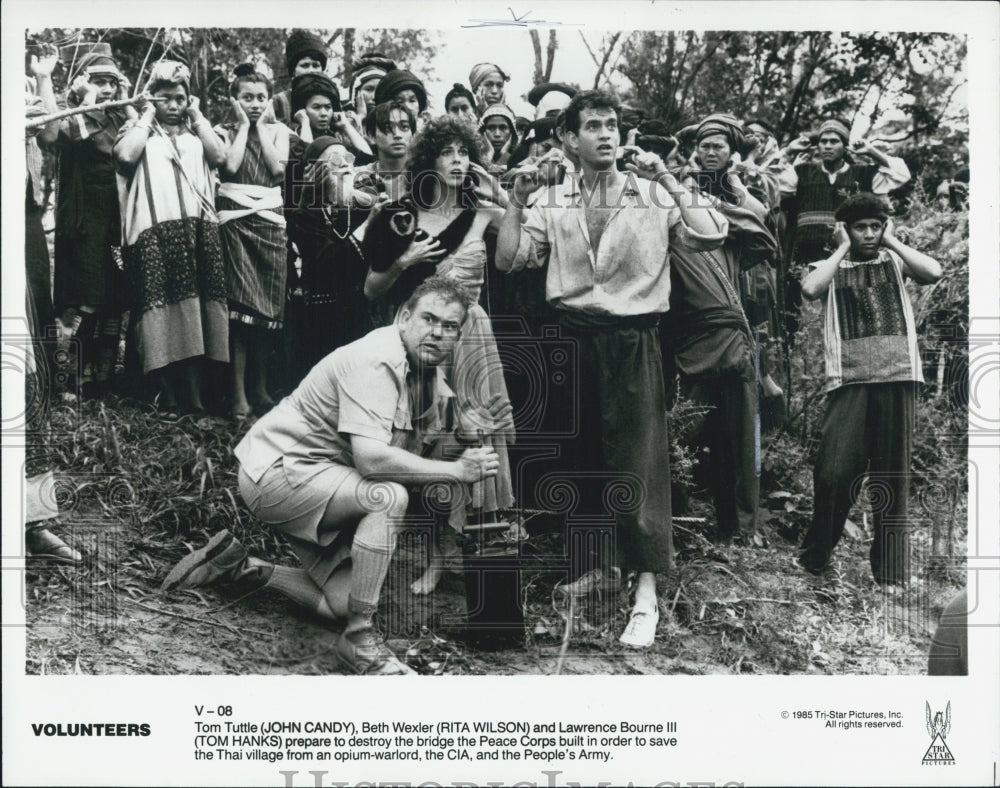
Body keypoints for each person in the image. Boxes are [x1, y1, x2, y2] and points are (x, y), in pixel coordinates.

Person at [161, 277, 501, 675]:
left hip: (324, 479)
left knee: (343, 602)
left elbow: (413, 456)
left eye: (449, 327)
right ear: (405, 316)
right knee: (388, 497)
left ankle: (239, 566)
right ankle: (360, 640)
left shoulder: (426, 374)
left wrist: (462, 435)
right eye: (429, 318)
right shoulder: (378, 359)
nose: (437, 333)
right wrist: (458, 470)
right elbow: (374, 462)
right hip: (277, 473)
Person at [496, 90, 728, 647]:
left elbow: (712, 233)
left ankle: (645, 591)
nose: (606, 134)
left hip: (632, 339)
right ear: (567, 139)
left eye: (612, 125)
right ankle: (597, 566)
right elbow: (508, 259)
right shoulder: (550, 198)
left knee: (638, 459)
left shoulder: (652, 191)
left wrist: (672, 179)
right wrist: (515, 200)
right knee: (581, 455)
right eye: (593, 126)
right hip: (573, 336)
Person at [362, 115, 526, 591]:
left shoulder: (482, 212)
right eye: (448, 152)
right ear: (428, 160)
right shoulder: (401, 215)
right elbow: (371, 291)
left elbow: (518, 254)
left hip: (471, 341)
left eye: (464, 152)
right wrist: (403, 261)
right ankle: (433, 555)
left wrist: (501, 191)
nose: (458, 161)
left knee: (474, 441)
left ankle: (475, 557)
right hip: (418, 343)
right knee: (425, 442)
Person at [798, 193, 941, 583]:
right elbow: (811, 289)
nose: (869, 234)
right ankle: (814, 559)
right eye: (860, 227)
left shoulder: (895, 259)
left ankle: (892, 574)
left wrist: (892, 240)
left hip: (899, 377)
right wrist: (842, 247)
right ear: (845, 229)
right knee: (833, 471)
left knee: (892, 477)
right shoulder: (827, 265)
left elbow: (934, 272)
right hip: (850, 380)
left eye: (875, 226)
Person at [667, 114, 778, 544]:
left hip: (732, 323)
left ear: (732, 152)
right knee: (682, 424)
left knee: (738, 433)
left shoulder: (738, 193)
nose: (710, 152)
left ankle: (740, 526)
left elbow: (762, 229)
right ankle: (676, 517)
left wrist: (723, 201)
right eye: (705, 145)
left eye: (719, 146)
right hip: (689, 326)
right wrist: (687, 196)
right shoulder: (676, 185)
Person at [113, 60, 229, 415]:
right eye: (165, 98)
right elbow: (124, 156)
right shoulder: (139, 132)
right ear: (151, 99)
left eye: (181, 97)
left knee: (195, 311)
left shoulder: (198, 136)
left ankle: (194, 397)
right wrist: (146, 115)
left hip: (196, 230)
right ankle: (167, 395)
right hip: (154, 231)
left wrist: (198, 115)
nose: (174, 105)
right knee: (160, 309)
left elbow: (220, 155)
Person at [36, 45, 131, 396]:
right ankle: (66, 380)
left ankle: (102, 379)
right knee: (81, 299)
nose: (106, 89)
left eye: (111, 82)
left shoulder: (122, 116)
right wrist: (48, 79)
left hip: (116, 220)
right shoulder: (73, 111)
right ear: (82, 81)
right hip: (82, 222)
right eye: (98, 81)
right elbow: (49, 136)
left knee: (112, 300)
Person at [780, 118, 911, 341]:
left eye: (834, 141)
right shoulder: (801, 172)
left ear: (845, 146)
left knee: (847, 314)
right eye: (823, 141)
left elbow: (901, 175)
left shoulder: (865, 174)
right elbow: (774, 181)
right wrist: (788, 152)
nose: (827, 146)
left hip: (851, 258)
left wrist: (872, 152)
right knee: (806, 319)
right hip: (806, 258)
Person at [215, 64, 291, 420]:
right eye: (247, 98)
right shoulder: (224, 131)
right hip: (236, 224)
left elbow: (278, 171)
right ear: (235, 100)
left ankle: (260, 388)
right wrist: (245, 126)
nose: (256, 103)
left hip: (270, 226)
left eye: (261, 97)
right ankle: (237, 393)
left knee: (267, 312)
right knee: (239, 312)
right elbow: (228, 169)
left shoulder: (278, 131)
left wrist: (261, 126)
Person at [286, 137, 379, 381]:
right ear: (315, 171)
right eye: (335, 160)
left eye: (348, 158)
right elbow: (328, 262)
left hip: (359, 313)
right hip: (320, 319)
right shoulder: (304, 214)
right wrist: (369, 226)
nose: (347, 165)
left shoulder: (361, 207)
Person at [272, 29, 329, 126]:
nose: (311, 71)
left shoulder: (330, 100)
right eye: (305, 65)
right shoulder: (279, 102)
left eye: (316, 66)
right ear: (293, 71)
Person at [349, 51, 396, 125]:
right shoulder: (343, 124)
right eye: (369, 89)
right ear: (355, 93)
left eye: (380, 90)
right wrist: (360, 118)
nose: (374, 96)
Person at [478, 103, 518, 173]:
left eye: (503, 128)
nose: (497, 134)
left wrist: (505, 156)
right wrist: (488, 156)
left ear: (512, 132)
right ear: (482, 132)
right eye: (491, 128)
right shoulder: (473, 160)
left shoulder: (520, 161)